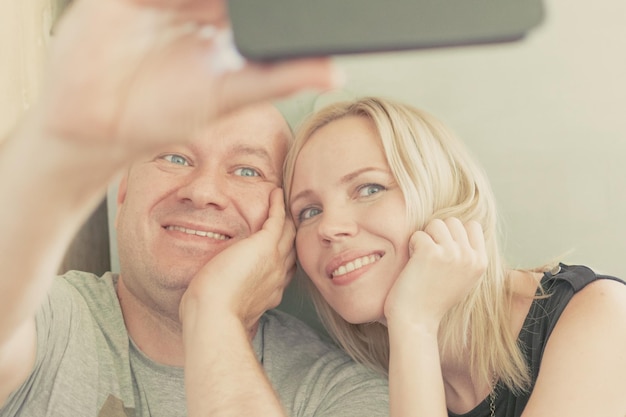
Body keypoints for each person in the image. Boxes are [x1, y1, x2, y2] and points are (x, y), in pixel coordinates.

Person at [0, 1, 389, 416]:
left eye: (246, 170)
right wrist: (55, 140)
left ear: (286, 227)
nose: (203, 191)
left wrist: (214, 311)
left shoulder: (342, 392)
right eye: (175, 158)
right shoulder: (53, 322)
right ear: (125, 192)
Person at [283, 96, 626, 417]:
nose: (328, 227)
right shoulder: (354, 384)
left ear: (445, 195)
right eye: (308, 212)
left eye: (369, 189)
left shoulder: (601, 315)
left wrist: (414, 322)